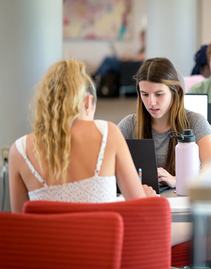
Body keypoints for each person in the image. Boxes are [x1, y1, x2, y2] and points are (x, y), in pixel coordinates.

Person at [9, 59, 155, 213]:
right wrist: (143, 196)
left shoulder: (18, 151)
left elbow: (21, 227)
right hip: (102, 237)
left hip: (48, 237)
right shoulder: (108, 133)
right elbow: (140, 211)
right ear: (87, 101)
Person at [118, 57, 211, 188]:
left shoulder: (196, 123)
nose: (151, 102)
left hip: (185, 202)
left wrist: (179, 181)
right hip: (146, 199)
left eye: (159, 94)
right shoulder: (128, 125)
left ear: (175, 92)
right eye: (145, 94)